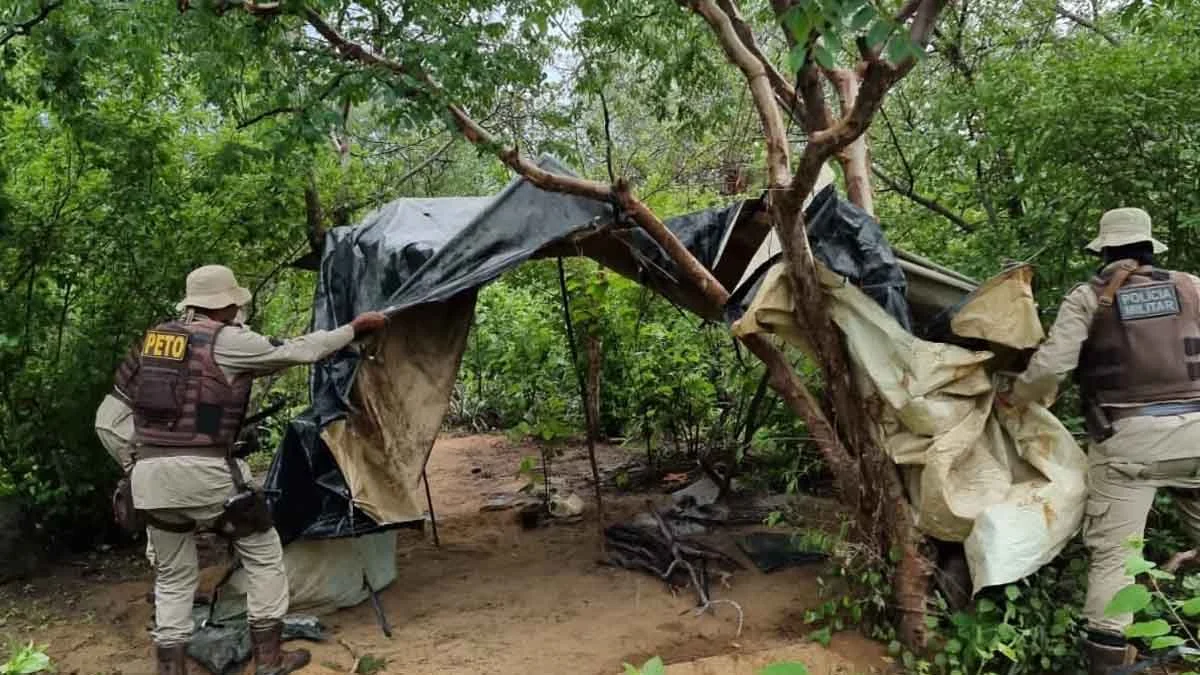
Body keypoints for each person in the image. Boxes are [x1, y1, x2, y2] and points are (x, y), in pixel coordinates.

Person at [124, 264, 387, 675]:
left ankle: (169, 668)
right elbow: (299, 349)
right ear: (227, 305)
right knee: (264, 553)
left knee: (173, 577)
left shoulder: (155, 342)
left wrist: (133, 461)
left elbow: (121, 410)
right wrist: (354, 328)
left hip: (147, 474)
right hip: (204, 472)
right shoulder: (227, 340)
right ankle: (269, 657)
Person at [1005, 208, 1200, 674]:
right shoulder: (1193, 287)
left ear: (1105, 252)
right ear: (1151, 248)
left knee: (1116, 557)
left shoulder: (1089, 298)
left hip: (1129, 448)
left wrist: (1019, 397)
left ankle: (1109, 664)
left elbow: (1052, 367)